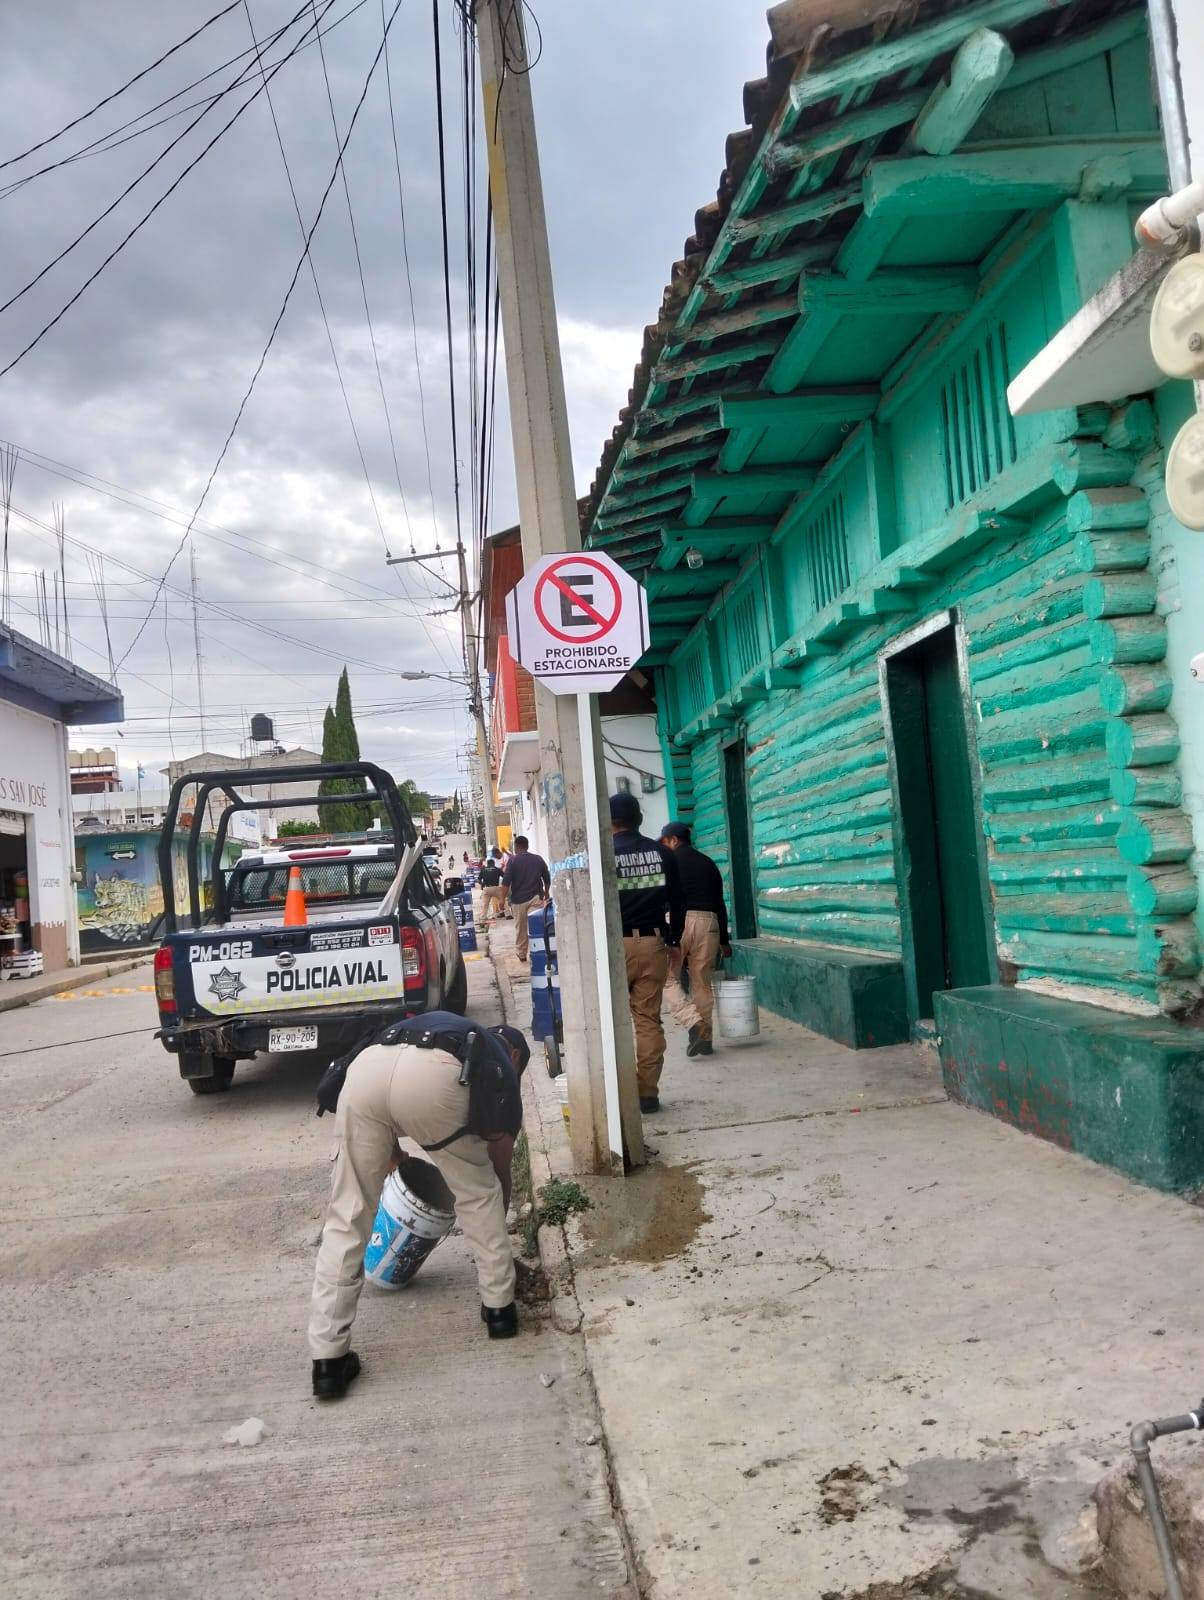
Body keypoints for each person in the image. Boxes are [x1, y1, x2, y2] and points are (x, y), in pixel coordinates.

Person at [309, 1013, 532, 1400]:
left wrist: (396, 1164)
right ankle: (500, 1311)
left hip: (366, 1072)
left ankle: (327, 1362)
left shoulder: (455, 1028)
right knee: (478, 1194)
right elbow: (496, 1172)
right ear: (513, 1054)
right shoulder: (497, 1063)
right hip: (436, 1078)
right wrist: (494, 1228)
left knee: (347, 1216)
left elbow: (387, 1126)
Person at [609, 792, 684, 1114]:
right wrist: (675, 940)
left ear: (608, 820)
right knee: (648, 1020)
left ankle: (617, 1096)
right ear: (639, 819)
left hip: (613, 946)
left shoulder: (603, 854)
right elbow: (679, 901)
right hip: (653, 942)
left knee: (609, 1021)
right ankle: (647, 1093)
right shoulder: (662, 853)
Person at [658, 821, 732, 1057]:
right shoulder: (708, 863)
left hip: (680, 921)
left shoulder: (668, 862)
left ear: (673, 840)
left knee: (667, 979)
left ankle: (693, 1024)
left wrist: (666, 931)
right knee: (702, 982)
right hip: (709, 923)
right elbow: (720, 903)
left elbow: (663, 896)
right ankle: (706, 1039)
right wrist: (724, 940)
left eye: (665, 841)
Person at [500, 835, 549, 963]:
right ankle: (541, 951)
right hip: (535, 898)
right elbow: (547, 877)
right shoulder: (538, 859)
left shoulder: (513, 861)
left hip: (518, 901)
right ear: (527, 846)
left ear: (516, 847)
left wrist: (501, 900)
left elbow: (506, 883)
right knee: (536, 926)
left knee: (521, 928)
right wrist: (547, 892)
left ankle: (522, 954)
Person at [478, 852, 504, 921]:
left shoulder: (483, 870)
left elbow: (479, 880)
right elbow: (504, 876)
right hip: (496, 888)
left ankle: (483, 917)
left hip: (487, 889)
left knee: (485, 904)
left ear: (487, 864)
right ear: (493, 863)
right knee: (503, 900)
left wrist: (482, 885)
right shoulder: (497, 869)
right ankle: (508, 914)